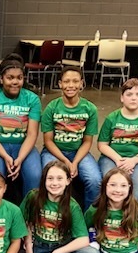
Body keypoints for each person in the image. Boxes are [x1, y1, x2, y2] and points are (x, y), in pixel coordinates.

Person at [19, 161, 100, 253]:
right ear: (44, 180)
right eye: (50, 178)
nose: (54, 183)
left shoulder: (72, 205)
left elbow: (83, 239)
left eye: (59, 178)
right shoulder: (33, 197)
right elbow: (25, 224)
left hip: (63, 247)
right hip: (40, 247)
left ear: (68, 181)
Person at [40, 66, 102, 209]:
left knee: (95, 180)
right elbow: (48, 141)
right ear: (60, 84)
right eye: (66, 81)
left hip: (79, 152)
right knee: (50, 179)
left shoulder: (90, 109)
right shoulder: (51, 107)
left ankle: (87, 221)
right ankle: (54, 217)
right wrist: (65, 161)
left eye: (75, 81)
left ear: (81, 83)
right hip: (54, 152)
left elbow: (87, 142)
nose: (71, 85)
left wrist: (75, 162)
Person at [0, 58, 42, 197]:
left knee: (35, 175)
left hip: (23, 146)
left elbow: (32, 134)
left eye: (19, 78)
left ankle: (27, 216)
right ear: (1, 79)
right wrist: (6, 156)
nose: (15, 82)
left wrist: (20, 158)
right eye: (10, 78)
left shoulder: (32, 99)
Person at [97, 78, 138, 202]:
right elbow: (102, 145)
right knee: (108, 180)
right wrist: (118, 160)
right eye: (129, 94)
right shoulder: (112, 118)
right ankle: (107, 213)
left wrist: (133, 161)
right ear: (122, 97)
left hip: (136, 160)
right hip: (112, 158)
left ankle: (130, 215)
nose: (133, 98)